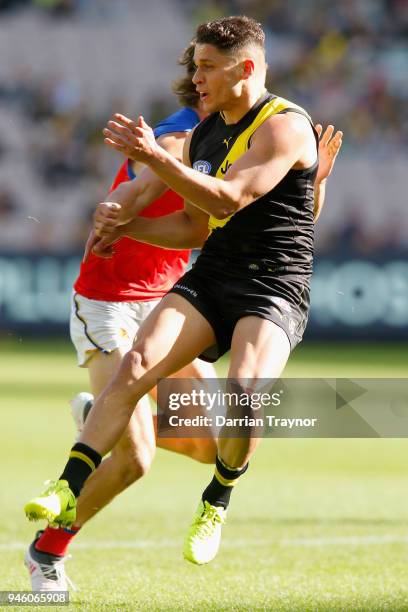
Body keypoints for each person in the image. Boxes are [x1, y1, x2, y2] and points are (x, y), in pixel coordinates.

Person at [24, 15, 343, 569]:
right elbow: (195, 224)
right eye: (194, 68)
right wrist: (122, 223)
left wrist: (311, 187)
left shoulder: (283, 127)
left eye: (206, 67)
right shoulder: (197, 132)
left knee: (232, 414)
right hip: (150, 290)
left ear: (244, 69)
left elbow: (224, 203)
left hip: (269, 286)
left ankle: (216, 497)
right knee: (135, 445)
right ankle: (51, 537)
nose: (196, 76)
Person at [24, 43, 218, 592]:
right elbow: (151, 171)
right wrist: (126, 201)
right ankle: (47, 553)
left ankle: (100, 414)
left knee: (214, 444)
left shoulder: (234, 142)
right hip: (109, 302)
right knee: (136, 459)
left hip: (170, 302)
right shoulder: (178, 132)